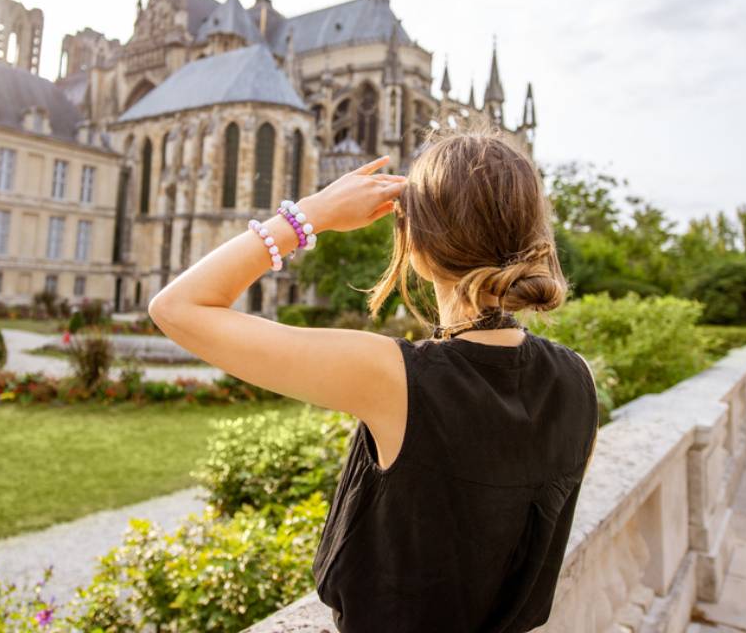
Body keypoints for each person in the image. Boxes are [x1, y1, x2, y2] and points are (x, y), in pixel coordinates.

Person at [148, 128, 600, 632]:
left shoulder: (397, 378)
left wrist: (307, 215)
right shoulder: (578, 379)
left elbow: (175, 308)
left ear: (418, 248)